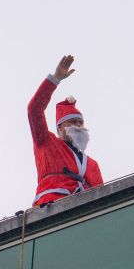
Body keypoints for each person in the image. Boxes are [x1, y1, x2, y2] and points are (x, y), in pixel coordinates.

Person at [28, 55, 103, 206]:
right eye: (73, 122)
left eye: (80, 122)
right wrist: (55, 79)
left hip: (84, 211)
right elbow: (34, 109)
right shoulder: (46, 142)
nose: (78, 125)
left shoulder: (92, 165)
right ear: (60, 128)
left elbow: (103, 197)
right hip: (51, 208)